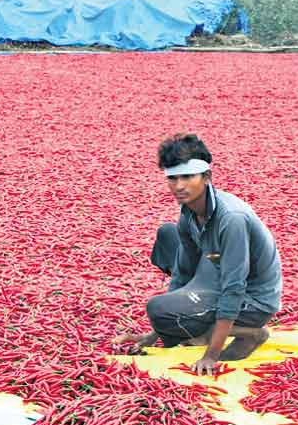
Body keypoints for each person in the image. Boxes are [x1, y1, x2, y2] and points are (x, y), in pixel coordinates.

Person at [113, 133, 282, 375]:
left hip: (254, 298)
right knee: (167, 236)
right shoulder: (188, 212)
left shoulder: (231, 219)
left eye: (188, 177)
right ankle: (196, 324)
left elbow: (235, 285)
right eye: (172, 178)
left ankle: (250, 333)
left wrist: (211, 355)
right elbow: (183, 272)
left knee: (159, 309)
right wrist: (159, 332)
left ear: (206, 177)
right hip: (215, 271)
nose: (179, 186)